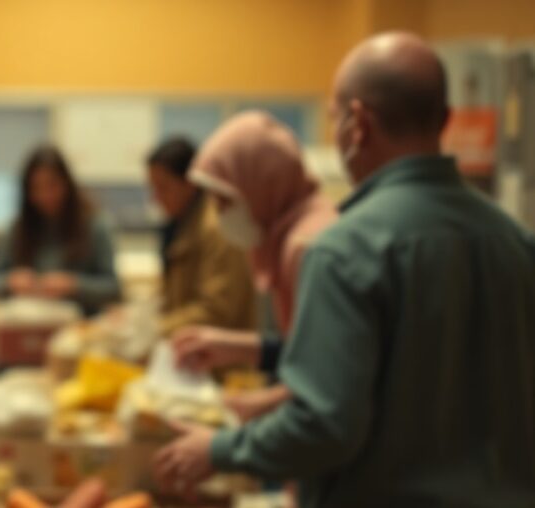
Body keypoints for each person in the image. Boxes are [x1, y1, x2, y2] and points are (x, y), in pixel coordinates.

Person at [154, 32, 535, 507]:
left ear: (357, 124)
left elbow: (325, 425)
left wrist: (222, 449)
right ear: (445, 119)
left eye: (333, 119)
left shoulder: (346, 248)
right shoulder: (516, 241)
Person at [170, 112, 338, 420]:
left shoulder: (307, 246)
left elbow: (326, 385)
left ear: (259, 185)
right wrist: (239, 347)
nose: (219, 215)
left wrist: (231, 438)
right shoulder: (287, 233)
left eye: (225, 200)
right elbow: (303, 350)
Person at [0, 145, 122, 315]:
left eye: (52, 186)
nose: (45, 196)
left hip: (80, 327)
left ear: (67, 184)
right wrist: (11, 281)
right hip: (29, 322)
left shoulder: (95, 225)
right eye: (36, 188)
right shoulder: (18, 228)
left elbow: (113, 289)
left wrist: (73, 285)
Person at [145, 137, 256, 337]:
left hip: (223, 361)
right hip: (193, 354)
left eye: (163, 187)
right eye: (153, 188)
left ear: (189, 184)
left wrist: (156, 329)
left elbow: (217, 309)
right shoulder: (182, 223)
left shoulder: (217, 229)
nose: (156, 198)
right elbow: (173, 294)